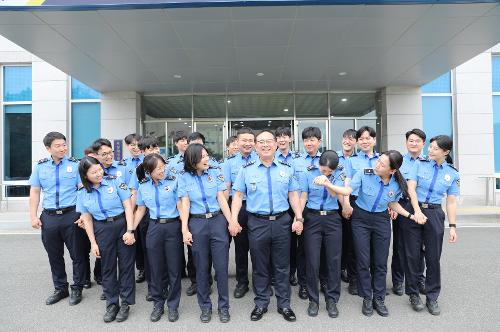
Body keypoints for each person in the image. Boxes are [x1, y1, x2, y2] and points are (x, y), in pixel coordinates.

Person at [326, 150, 424, 317]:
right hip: (361, 219)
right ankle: (367, 297)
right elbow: (347, 190)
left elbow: (392, 203)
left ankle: (379, 298)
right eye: (378, 160)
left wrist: (410, 215)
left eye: (382, 164)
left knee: (380, 262)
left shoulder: (398, 183)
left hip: (381, 221)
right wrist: (327, 184)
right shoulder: (365, 173)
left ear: (392, 170)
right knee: (363, 261)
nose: (377, 165)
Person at [230, 130, 304, 322]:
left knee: (282, 266)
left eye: (268, 141)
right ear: (255, 146)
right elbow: (238, 196)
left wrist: (298, 217)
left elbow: (293, 195)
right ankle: (261, 303)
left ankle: (284, 304)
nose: (265, 145)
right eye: (260, 142)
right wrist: (233, 219)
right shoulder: (246, 170)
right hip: (257, 223)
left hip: (282, 222)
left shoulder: (287, 168)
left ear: (275, 144)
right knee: (260, 266)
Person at [403, 135, 459, 315]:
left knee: (433, 257)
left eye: (435, 148)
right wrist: (416, 211)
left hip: (435, 214)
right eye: (430, 147)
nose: (430, 150)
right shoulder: (419, 164)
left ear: (445, 152)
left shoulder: (452, 173)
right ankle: (413, 293)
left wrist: (452, 226)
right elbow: (411, 188)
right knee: (412, 255)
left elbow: (451, 202)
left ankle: (432, 297)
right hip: (414, 210)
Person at [76, 156, 136, 323]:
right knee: (107, 268)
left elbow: (128, 206)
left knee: (126, 266)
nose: (99, 173)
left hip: (122, 225)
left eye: (99, 169)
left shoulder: (115, 182)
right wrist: (93, 242)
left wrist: (130, 230)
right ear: (85, 175)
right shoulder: (82, 192)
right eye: (93, 172)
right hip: (101, 229)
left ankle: (125, 303)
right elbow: (86, 219)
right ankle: (112, 304)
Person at [28, 132, 85, 306]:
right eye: (58, 146)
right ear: (48, 148)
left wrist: (83, 214)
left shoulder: (76, 165)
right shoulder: (41, 167)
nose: (63, 148)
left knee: (78, 254)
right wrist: (32, 216)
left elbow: (82, 190)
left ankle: (77, 288)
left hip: (72, 215)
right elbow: (35, 191)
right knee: (54, 255)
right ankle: (60, 288)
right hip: (49, 217)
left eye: (64, 144)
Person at [179, 143, 232, 323]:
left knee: (222, 267)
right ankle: (205, 307)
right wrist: (185, 229)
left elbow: (222, 199)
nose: (206, 158)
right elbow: (185, 204)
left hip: (217, 221)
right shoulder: (183, 178)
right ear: (193, 160)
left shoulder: (215, 173)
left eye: (207, 155)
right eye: (202, 156)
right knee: (201, 268)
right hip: (197, 223)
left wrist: (231, 220)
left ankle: (224, 307)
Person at [132, 153, 183, 322]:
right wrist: (130, 229)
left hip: (172, 226)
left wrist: (185, 228)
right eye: (158, 168)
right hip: (153, 227)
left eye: (163, 166)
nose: (162, 170)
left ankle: (173, 305)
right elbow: (140, 209)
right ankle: (158, 303)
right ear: (148, 171)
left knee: (174, 268)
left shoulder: (174, 181)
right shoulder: (143, 186)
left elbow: (181, 205)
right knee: (155, 268)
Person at [299, 150, 346, 318]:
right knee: (313, 260)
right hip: (312, 218)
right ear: (319, 164)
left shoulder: (340, 173)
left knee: (334, 260)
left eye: (329, 171)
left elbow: (339, 194)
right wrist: (299, 217)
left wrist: (327, 182)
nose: (325, 173)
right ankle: (313, 300)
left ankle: (332, 299)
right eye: (323, 170)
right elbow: (303, 196)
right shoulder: (308, 172)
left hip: (333, 218)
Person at [343, 126, 380, 296]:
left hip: (377, 205)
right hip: (356, 202)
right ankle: (354, 279)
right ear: (358, 142)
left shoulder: (382, 160)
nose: (365, 141)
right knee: (354, 245)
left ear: (374, 140)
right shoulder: (352, 160)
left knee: (375, 245)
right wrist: (346, 204)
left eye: (368, 138)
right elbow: (347, 183)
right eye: (362, 139)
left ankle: (374, 281)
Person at [222, 127, 258, 299]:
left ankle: (261, 282)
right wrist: (230, 217)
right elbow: (227, 189)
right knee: (241, 248)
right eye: (244, 140)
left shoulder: (261, 158)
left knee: (260, 248)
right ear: (237, 142)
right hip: (239, 207)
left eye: (251, 140)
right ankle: (242, 282)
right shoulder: (229, 163)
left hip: (258, 208)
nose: (247, 143)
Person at [391, 129, 427, 296]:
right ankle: (398, 281)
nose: (414, 143)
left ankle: (419, 279)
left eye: (417, 141)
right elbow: (391, 186)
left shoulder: (428, 162)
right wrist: (392, 206)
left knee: (420, 247)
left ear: (423, 144)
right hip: (402, 205)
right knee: (400, 246)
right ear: (406, 143)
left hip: (423, 207)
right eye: (411, 140)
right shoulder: (398, 162)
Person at [127, 136, 161, 301]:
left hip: (165, 213)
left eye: (156, 147)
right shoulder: (140, 169)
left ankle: (165, 282)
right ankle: (152, 285)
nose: (154, 151)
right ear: (143, 151)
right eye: (150, 148)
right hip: (146, 214)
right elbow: (134, 193)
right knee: (149, 251)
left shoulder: (164, 166)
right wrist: (131, 218)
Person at [292, 126, 323, 299]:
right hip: (300, 208)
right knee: (302, 249)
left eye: (312, 139)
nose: (309, 143)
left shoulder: (326, 159)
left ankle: (322, 281)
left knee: (322, 249)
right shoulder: (296, 162)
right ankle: (303, 283)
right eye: (306, 140)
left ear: (319, 141)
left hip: (320, 209)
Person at [275, 127, 302, 287]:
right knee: (282, 242)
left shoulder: (299, 159)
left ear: (290, 138)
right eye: (278, 137)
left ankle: (293, 272)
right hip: (280, 205)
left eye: (285, 136)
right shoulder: (270, 157)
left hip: (298, 204)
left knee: (297, 243)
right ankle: (278, 273)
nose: (282, 139)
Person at [337, 129, 357, 284]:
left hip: (355, 202)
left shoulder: (358, 159)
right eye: (345, 138)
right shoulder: (333, 157)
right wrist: (344, 204)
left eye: (351, 139)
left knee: (352, 237)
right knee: (339, 237)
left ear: (355, 142)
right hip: (336, 202)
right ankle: (339, 267)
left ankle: (351, 269)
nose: (347, 141)